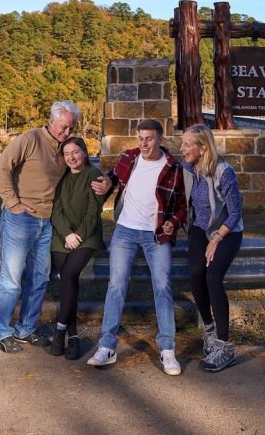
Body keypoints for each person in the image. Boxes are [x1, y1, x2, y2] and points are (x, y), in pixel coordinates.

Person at [86, 119, 187, 376]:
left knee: (162, 286)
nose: (143, 144)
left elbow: (181, 207)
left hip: (155, 235)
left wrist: (171, 225)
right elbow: (112, 178)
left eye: (149, 139)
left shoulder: (173, 167)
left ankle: (167, 350)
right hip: (125, 231)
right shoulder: (129, 156)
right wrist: (107, 184)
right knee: (116, 284)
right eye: (140, 138)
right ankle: (107, 347)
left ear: (160, 140)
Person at [0, 100, 80, 353]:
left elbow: (81, 168)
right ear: (52, 120)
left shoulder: (66, 148)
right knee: (12, 280)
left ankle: (26, 328)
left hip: (47, 222)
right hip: (20, 219)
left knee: (39, 278)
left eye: (70, 128)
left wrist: (102, 182)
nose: (66, 132)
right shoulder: (30, 139)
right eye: (63, 127)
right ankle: (0, 331)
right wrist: (13, 202)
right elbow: (1, 168)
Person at [177, 123, 244, 372]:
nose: (182, 148)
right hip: (199, 228)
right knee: (195, 273)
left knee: (212, 276)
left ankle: (225, 346)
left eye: (186, 144)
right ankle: (209, 329)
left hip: (226, 230)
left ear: (203, 148)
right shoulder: (187, 166)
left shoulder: (223, 171)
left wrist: (216, 238)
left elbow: (235, 212)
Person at [48, 136, 105, 360]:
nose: (71, 157)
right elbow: (56, 210)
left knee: (70, 273)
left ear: (84, 152)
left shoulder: (94, 175)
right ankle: (73, 336)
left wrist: (78, 235)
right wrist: (67, 234)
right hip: (62, 236)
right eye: (67, 153)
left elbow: (94, 212)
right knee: (66, 279)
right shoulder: (61, 178)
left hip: (87, 236)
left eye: (75, 152)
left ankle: (60, 329)